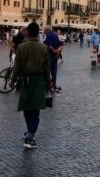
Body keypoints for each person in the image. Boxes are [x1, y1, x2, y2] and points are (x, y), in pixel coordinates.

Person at [10, 22, 51, 150]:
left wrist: (13, 79)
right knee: (35, 109)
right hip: (38, 80)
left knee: (27, 108)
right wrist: (49, 82)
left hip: (25, 80)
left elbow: (17, 67)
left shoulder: (21, 47)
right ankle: (30, 135)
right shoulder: (44, 48)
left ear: (28, 32)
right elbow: (47, 68)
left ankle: (30, 133)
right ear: (38, 32)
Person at [43, 26, 63, 92]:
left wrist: (54, 50)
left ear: (47, 30)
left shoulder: (49, 36)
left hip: (49, 56)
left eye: (44, 30)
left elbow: (50, 46)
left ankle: (49, 85)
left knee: (47, 71)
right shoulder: (55, 35)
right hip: (55, 57)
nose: (43, 32)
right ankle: (54, 85)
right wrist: (57, 50)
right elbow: (61, 45)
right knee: (54, 72)